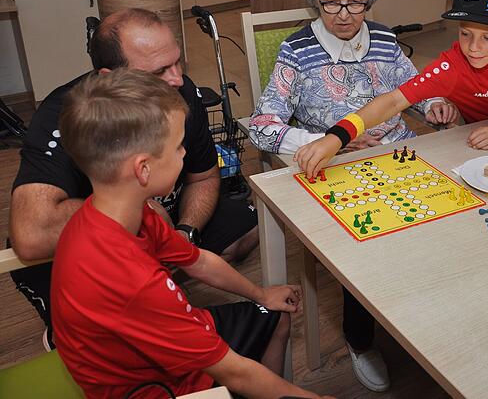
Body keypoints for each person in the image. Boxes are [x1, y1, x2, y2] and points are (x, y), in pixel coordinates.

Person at [50, 69, 328, 399]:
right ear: (143, 169)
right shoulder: (135, 280)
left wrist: (261, 294)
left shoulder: (127, 212)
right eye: (178, 146)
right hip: (150, 388)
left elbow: (198, 261)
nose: (186, 153)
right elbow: (235, 373)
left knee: (274, 315)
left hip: (147, 351)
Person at [250, 0, 446, 392]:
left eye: (354, 3)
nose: (343, 14)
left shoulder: (385, 40)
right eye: (331, 3)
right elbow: (262, 126)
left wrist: (434, 103)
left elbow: (413, 88)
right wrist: (326, 143)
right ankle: (361, 340)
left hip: (399, 155)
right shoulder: (297, 51)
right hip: (338, 171)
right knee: (369, 247)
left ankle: (421, 318)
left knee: (442, 223)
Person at [8, 9, 259, 350]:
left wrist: (184, 234)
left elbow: (203, 176)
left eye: (177, 62)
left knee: (252, 225)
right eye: (158, 71)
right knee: (110, 339)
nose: (177, 78)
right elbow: (31, 234)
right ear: (111, 77)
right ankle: (65, 330)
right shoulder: (64, 113)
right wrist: (130, 211)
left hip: (160, 229)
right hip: (83, 251)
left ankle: (158, 278)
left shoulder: (181, 91)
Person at [295, 0, 488, 179]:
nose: (473, 48)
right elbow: (392, 102)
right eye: (465, 34)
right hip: (475, 137)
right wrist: (335, 137)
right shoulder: (452, 64)